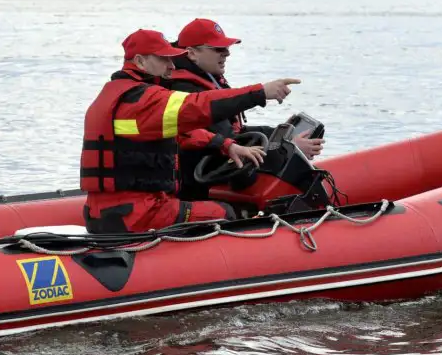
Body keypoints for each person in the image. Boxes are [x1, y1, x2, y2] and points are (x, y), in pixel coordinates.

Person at [80, 28, 301, 234]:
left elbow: (183, 133)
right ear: (140, 61)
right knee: (226, 212)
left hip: (103, 212)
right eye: (164, 59)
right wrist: (261, 92)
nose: (172, 66)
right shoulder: (144, 100)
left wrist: (226, 145)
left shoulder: (114, 96)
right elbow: (198, 106)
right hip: (140, 214)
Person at [167, 18, 325, 201]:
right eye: (218, 49)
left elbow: (235, 132)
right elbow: (230, 146)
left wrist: (280, 135)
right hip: (197, 190)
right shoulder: (185, 90)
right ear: (192, 53)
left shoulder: (205, 78)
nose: (226, 54)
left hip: (211, 177)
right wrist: (290, 148)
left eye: (227, 48)